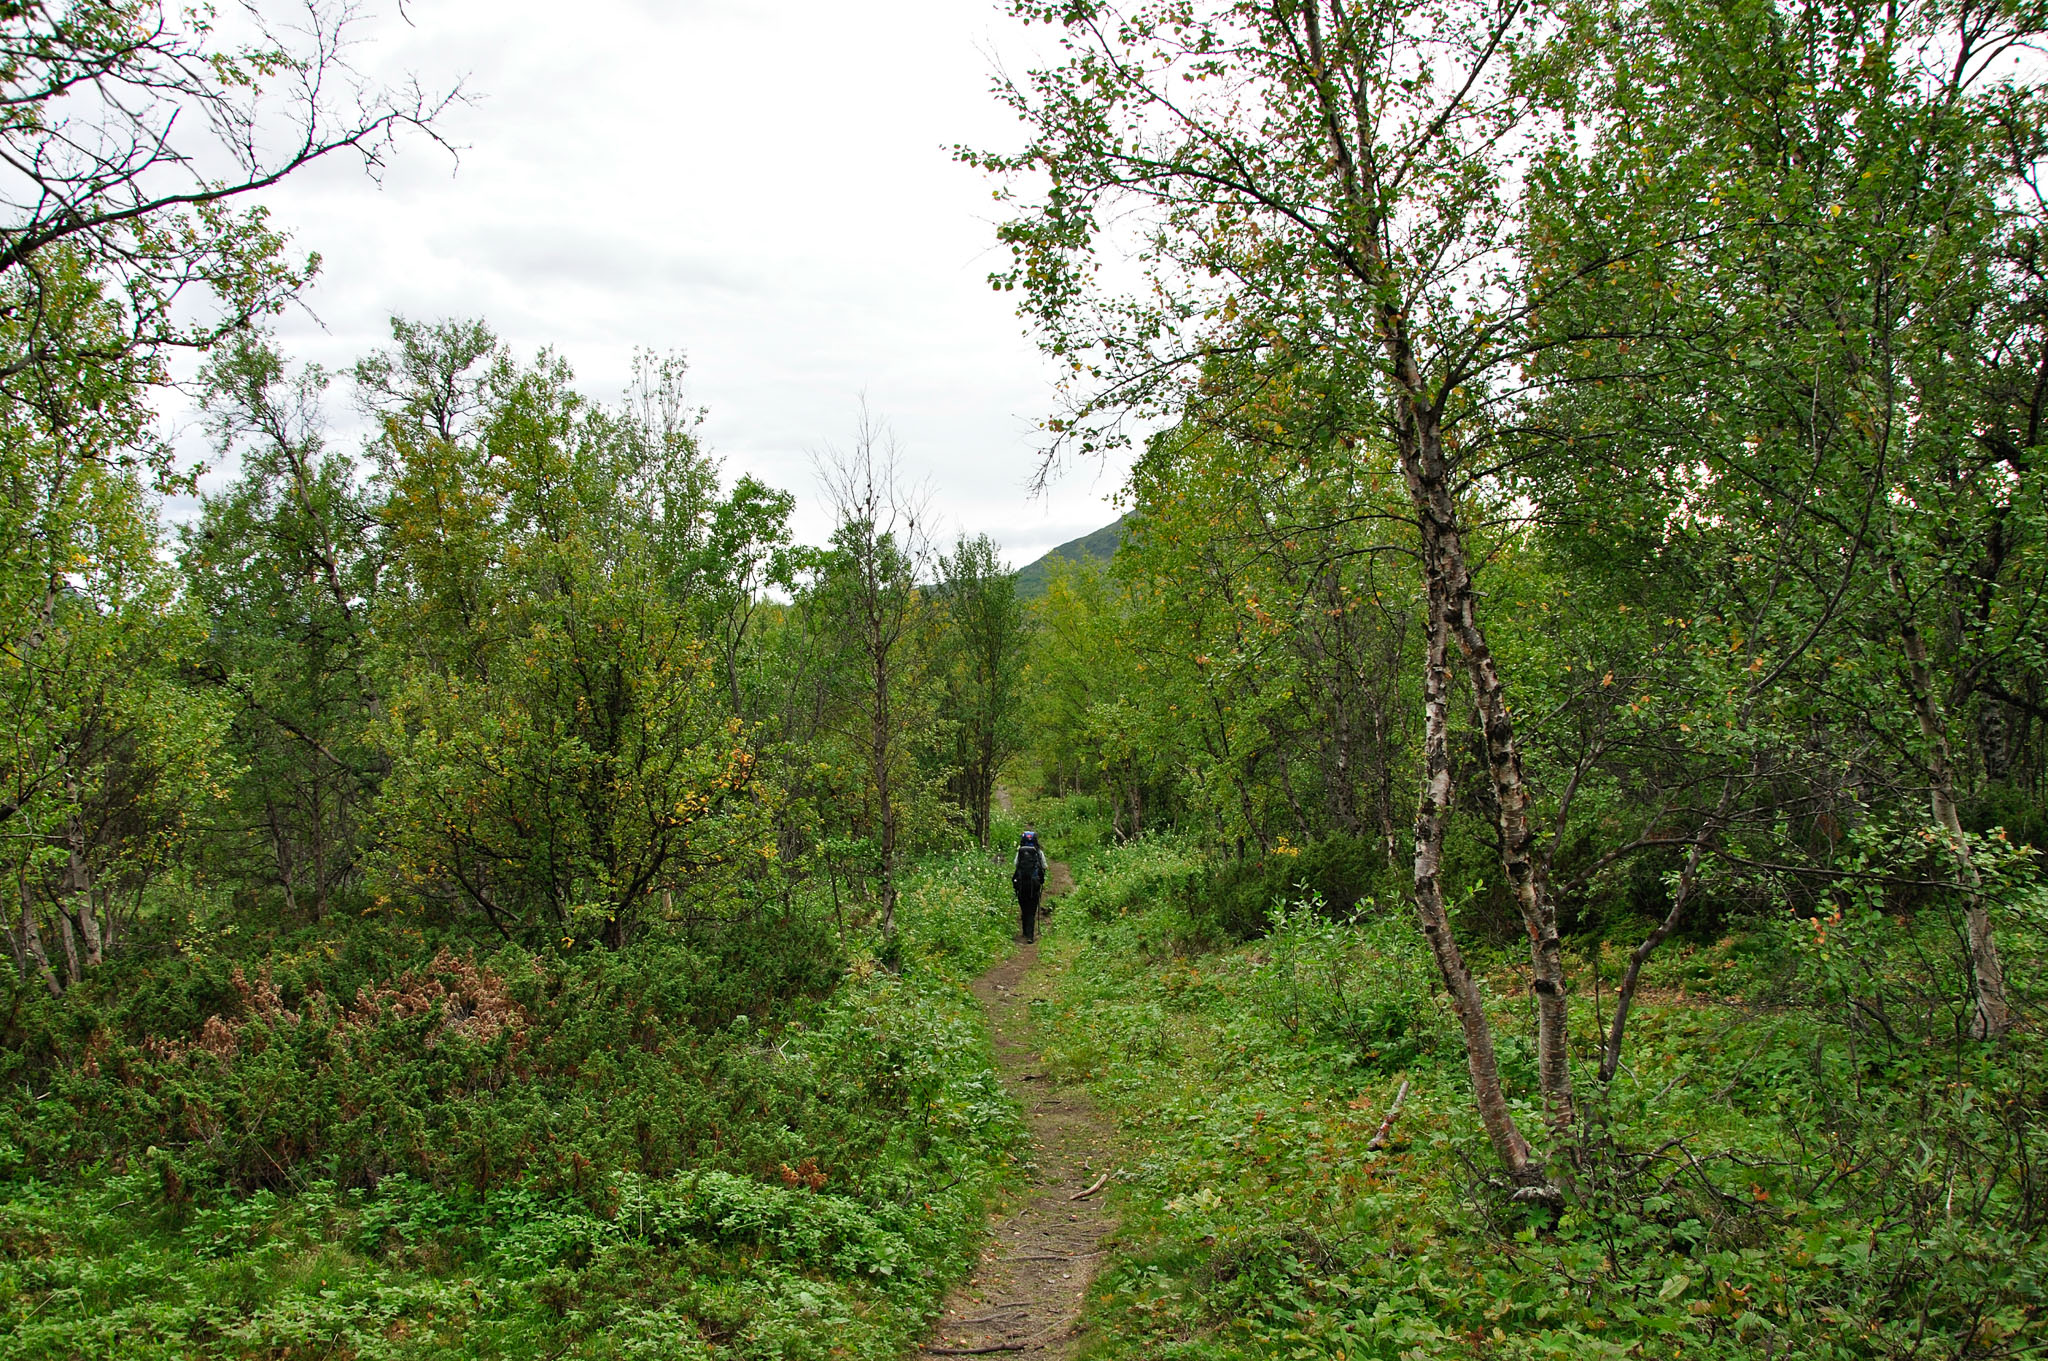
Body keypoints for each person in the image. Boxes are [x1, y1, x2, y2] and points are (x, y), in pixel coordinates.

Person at [1011, 829, 1047, 944]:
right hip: (1034, 884)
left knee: (1023, 906)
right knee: (1032, 908)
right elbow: (1044, 866)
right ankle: (1030, 935)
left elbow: (1016, 864)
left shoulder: (1020, 852)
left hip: (1021, 883)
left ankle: (1025, 931)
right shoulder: (1038, 852)